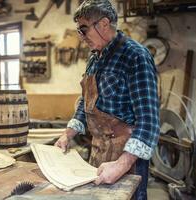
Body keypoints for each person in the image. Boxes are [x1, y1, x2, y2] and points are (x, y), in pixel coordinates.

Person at [54, 0, 160, 199]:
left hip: (126, 156)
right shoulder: (94, 58)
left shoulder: (135, 56)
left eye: (84, 29)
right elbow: (87, 105)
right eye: (79, 31)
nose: (81, 37)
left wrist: (121, 165)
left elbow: (149, 122)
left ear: (104, 24)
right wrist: (67, 135)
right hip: (98, 151)